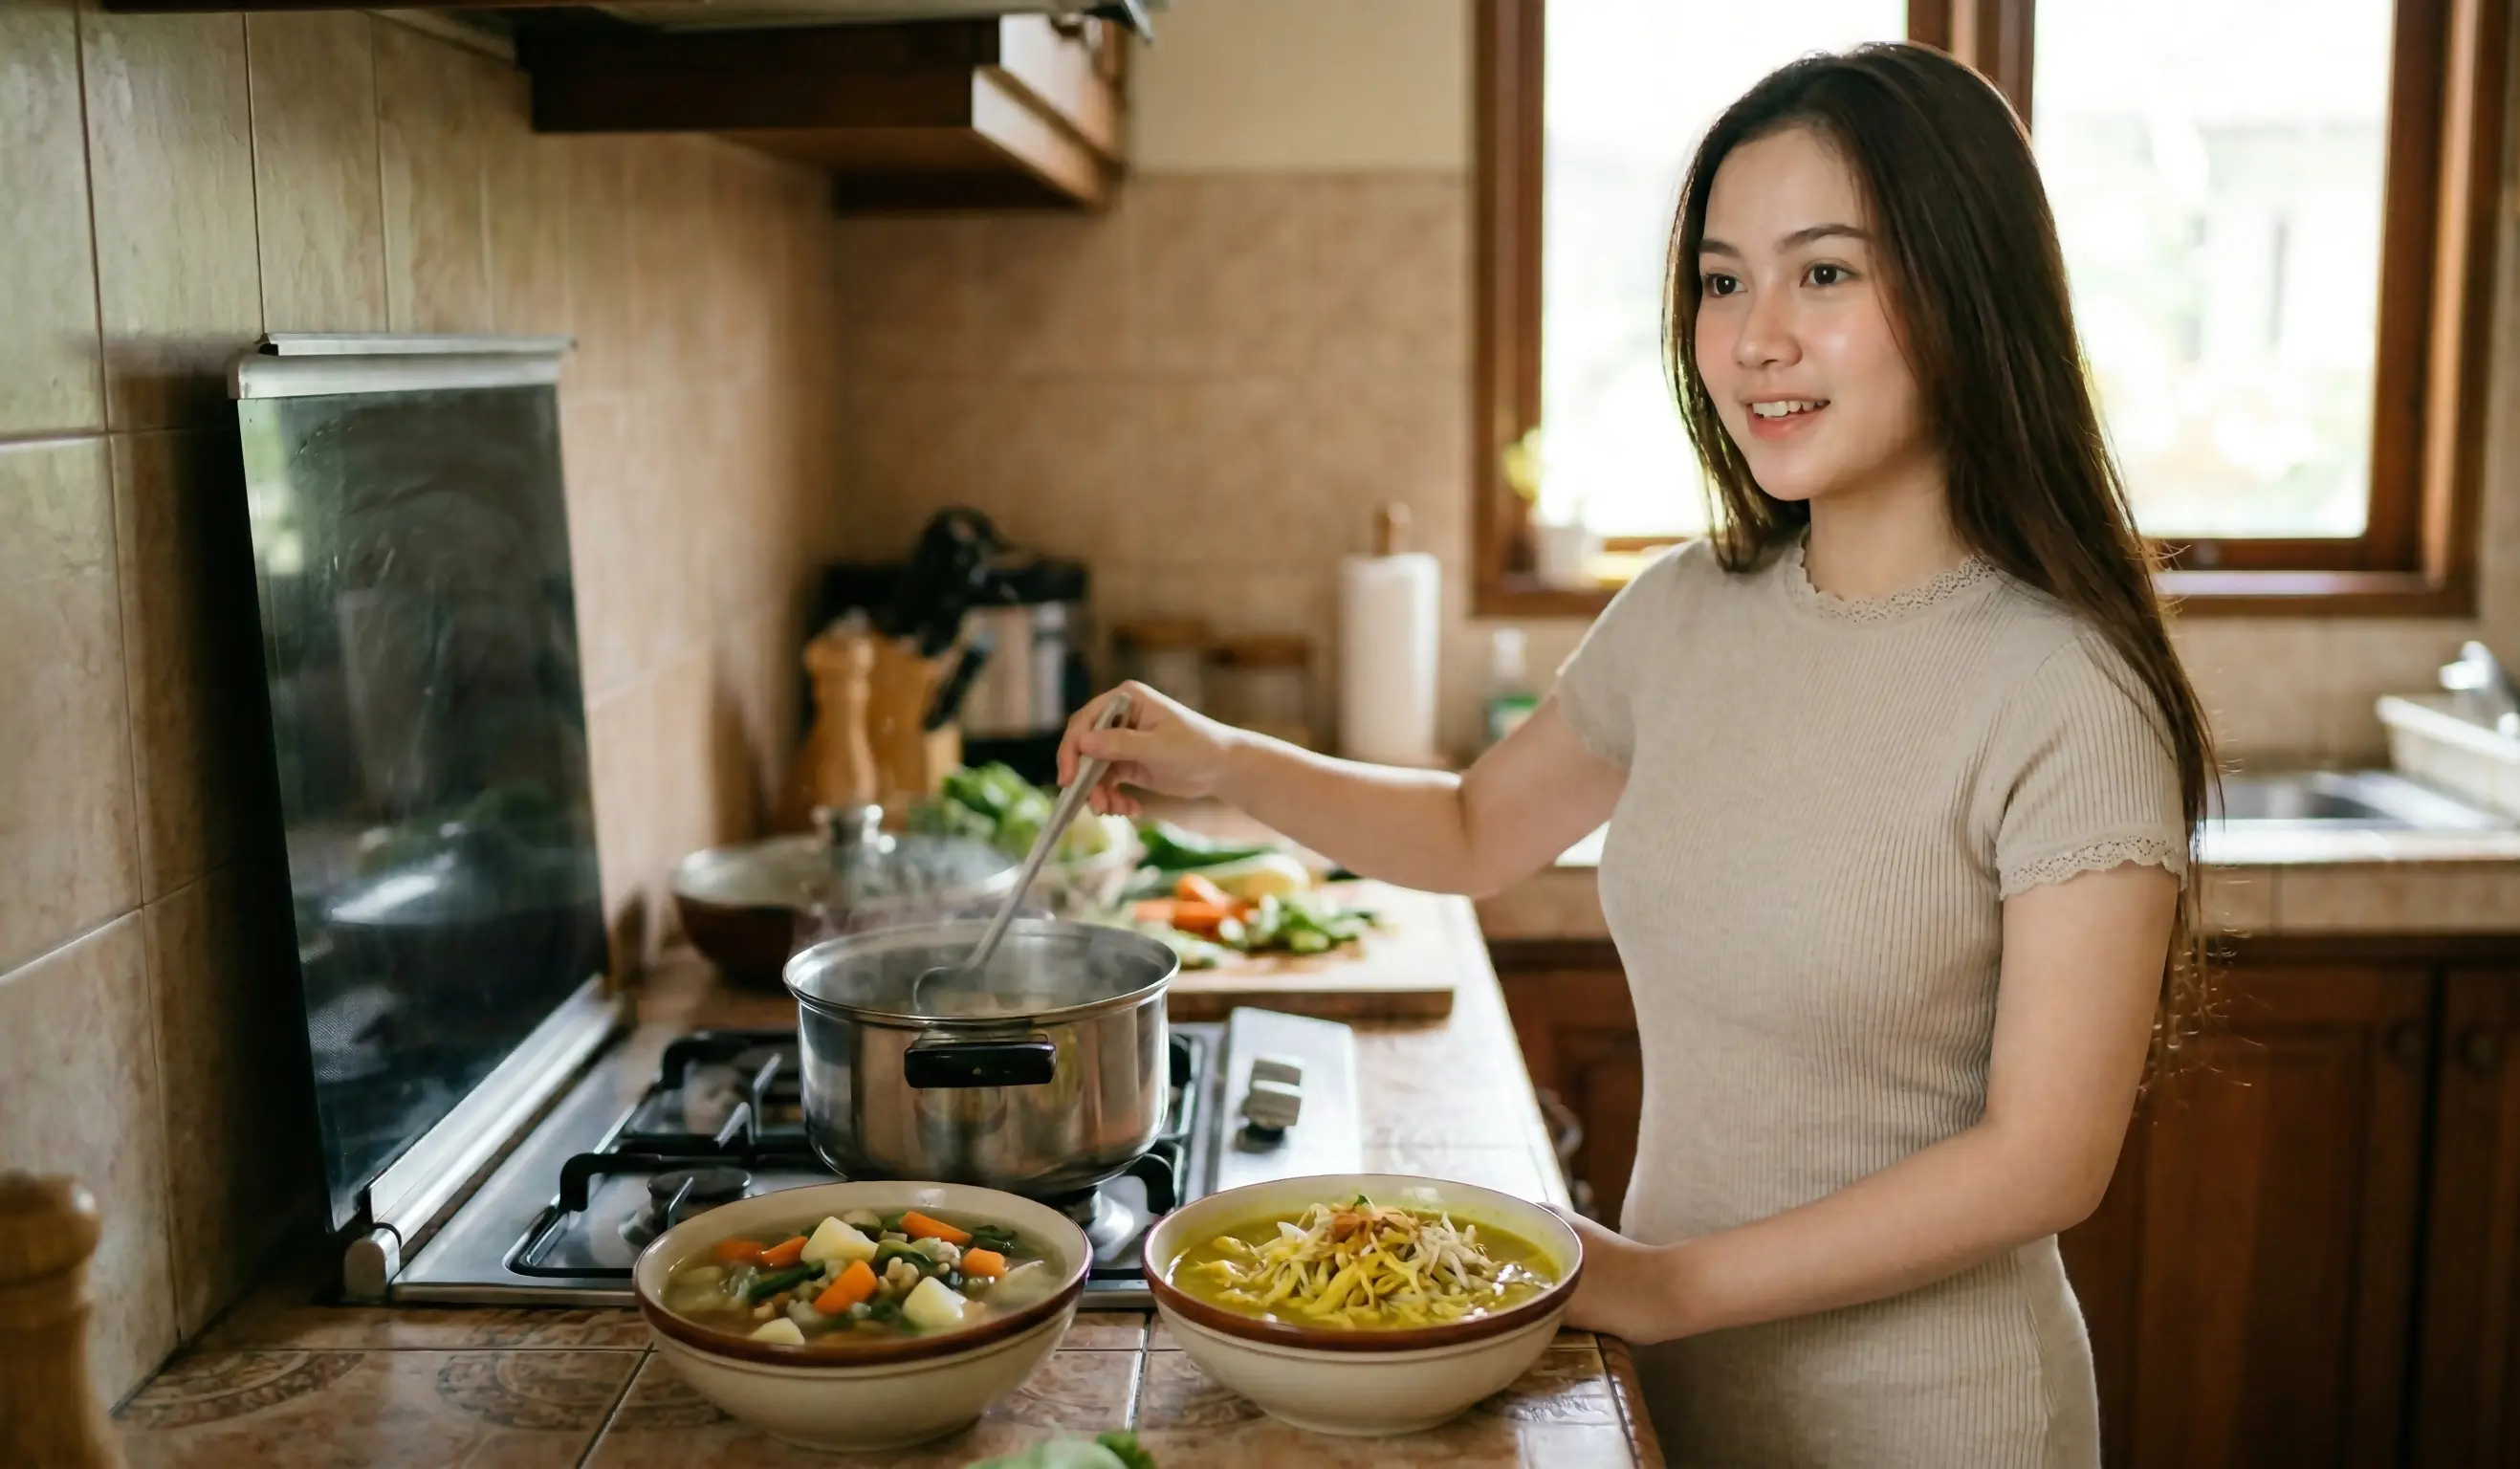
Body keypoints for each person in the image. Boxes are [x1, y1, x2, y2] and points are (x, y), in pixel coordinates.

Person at [1056, 41, 2215, 1468]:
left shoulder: (2066, 691)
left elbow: (2047, 1159)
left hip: (1933, 1423)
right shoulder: (1689, 607)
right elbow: (1476, 831)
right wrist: (1226, 762)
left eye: (1825, 273)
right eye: (1722, 280)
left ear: (1967, 293)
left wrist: (1663, 1282)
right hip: (1671, 1393)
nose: (1754, 339)